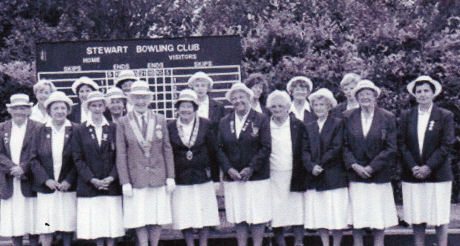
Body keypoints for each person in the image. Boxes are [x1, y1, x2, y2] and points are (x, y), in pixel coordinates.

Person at [116, 80, 175, 246]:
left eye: (144, 98)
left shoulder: (160, 119)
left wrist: (170, 176)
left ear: (149, 99)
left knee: (157, 216)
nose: (140, 101)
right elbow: (120, 153)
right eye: (136, 98)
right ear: (131, 100)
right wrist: (125, 181)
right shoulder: (123, 122)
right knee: (139, 217)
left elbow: (167, 149)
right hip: (136, 179)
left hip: (158, 176)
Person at [400, 76, 454, 246]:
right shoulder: (407, 115)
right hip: (413, 174)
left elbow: (446, 144)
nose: (422, 94)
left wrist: (428, 167)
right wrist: (414, 166)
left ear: (433, 93)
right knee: (417, 215)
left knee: (439, 216)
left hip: (438, 174)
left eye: (426, 91)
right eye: (419, 91)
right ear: (414, 95)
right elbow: (402, 144)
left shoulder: (445, 115)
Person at [343, 80, 398, 246]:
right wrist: (355, 165)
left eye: (368, 94)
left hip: (378, 176)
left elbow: (391, 147)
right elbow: (343, 145)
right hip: (356, 175)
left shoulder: (388, 117)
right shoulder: (347, 116)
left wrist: (372, 167)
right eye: (361, 94)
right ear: (357, 97)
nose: (365, 97)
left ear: (375, 96)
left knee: (378, 217)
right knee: (358, 217)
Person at [217, 83, 271, 246]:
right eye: (234, 98)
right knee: (239, 215)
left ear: (249, 98)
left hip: (256, 177)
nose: (238, 100)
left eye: (241, 97)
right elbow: (219, 149)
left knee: (257, 216)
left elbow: (266, 146)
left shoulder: (261, 119)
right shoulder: (224, 121)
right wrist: (229, 169)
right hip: (233, 177)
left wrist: (251, 168)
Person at [168, 89, 220, 246]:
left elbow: (214, 152)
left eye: (189, 106)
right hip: (181, 178)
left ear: (195, 108)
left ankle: (203, 243)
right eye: (182, 106)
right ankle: (189, 244)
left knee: (205, 215)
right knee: (185, 216)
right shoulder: (170, 126)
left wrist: (216, 179)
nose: (185, 110)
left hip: (202, 177)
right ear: (177, 108)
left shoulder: (206, 124)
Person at [72, 91, 124, 246]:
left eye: (100, 105)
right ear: (88, 107)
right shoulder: (79, 130)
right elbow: (77, 158)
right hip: (90, 185)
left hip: (110, 184)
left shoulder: (114, 128)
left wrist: (111, 177)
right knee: (96, 227)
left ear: (104, 107)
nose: (97, 108)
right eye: (93, 105)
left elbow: (120, 156)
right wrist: (92, 179)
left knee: (111, 226)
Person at [30, 91, 77, 246]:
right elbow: (33, 159)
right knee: (47, 223)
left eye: (63, 108)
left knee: (66, 224)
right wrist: (46, 179)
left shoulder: (76, 129)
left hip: (67, 187)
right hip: (46, 187)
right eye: (55, 108)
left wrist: (69, 180)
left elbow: (80, 159)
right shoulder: (39, 130)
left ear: (68, 110)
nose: (59, 111)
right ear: (49, 111)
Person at [303, 88, 349, 246]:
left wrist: (320, 164)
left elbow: (337, 147)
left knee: (336, 215)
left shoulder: (338, 123)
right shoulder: (308, 126)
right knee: (320, 215)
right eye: (315, 105)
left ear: (329, 106)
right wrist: (311, 166)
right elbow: (304, 150)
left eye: (322, 105)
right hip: (315, 176)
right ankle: (325, 243)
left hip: (333, 175)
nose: (319, 108)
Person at [266, 90, 306, 246]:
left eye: (280, 106)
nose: (277, 109)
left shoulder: (297, 124)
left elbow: (303, 148)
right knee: (277, 209)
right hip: (273, 173)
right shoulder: (266, 124)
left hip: (294, 171)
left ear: (287, 107)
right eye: (273, 106)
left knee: (297, 208)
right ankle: (280, 242)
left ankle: (298, 242)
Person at [0, 94, 41, 246]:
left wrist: (23, 167)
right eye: (15, 108)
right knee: (14, 219)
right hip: (9, 180)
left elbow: (37, 152)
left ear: (28, 110)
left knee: (32, 219)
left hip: (30, 179)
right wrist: (12, 167)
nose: (19, 111)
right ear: (10, 110)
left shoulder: (37, 127)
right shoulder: (2, 128)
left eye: (23, 108)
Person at [187, 71, 226, 184]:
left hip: (214, 151)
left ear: (208, 88)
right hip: (194, 151)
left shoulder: (218, 106)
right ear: (192, 88)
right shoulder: (187, 107)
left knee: (215, 184)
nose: (200, 89)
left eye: (203, 85)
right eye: (197, 85)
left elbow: (222, 130)